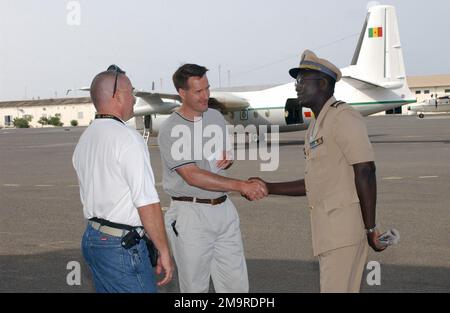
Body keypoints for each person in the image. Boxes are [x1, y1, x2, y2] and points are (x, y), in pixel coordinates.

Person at [251, 50, 386, 293]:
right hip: (329, 233)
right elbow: (313, 183)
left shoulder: (343, 117)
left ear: (323, 83)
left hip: (343, 233)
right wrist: (269, 187)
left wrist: (370, 228)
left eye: (302, 80)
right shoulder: (316, 126)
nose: (296, 87)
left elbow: (365, 170)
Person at [158, 63, 267, 293]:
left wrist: (229, 159)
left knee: (236, 287)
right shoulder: (171, 128)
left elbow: (220, 160)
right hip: (191, 215)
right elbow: (192, 175)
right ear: (182, 93)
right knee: (195, 289)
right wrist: (241, 186)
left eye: (207, 88)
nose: (206, 95)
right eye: (198, 91)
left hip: (223, 210)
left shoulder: (215, 117)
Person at [73, 65, 173, 293]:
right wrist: (164, 251)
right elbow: (146, 202)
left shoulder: (86, 139)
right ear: (116, 96)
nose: (135, 99)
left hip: (94, 239)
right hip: (121, 248)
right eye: (131, 93)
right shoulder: (128, 138)